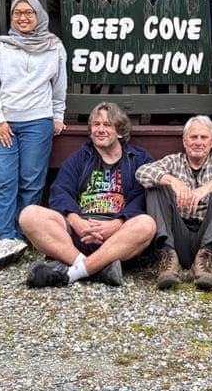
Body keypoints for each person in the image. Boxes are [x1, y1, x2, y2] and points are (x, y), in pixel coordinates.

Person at [19, 103, 156, 289]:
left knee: (146, 224)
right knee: (29, 215)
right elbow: (60, 191)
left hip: (116, 237)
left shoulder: (139, 159)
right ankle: (95, 268)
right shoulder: (79, 157)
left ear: (120, 132)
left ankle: (70, 273)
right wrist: (77, 222)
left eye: (107, 125)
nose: (100, 129)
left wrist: (116, 224)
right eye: (95, 124)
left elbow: (142, 197)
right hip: (79, 234)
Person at [0, 0, 67, 267]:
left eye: (29, 13)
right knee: (4, 180)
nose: (23, 18)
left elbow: (59, 86)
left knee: (31, 181)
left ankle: (24, 236)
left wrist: (58, 115)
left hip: (38, 121)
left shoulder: (54, 47)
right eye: (17, 13)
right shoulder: (1, 47)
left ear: (39, 15)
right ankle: (5, 237)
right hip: (2, 123)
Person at [136, 116, 212, 292]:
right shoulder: (174, 161)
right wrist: (173, 181)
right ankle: (167, 259)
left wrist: (206, 188)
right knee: (155, 185)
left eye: (204, 138)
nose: (198, 142)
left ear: (211, 143)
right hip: (178, 240)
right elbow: (142, 172)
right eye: (193, 137)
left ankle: (204, 260)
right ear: (184, 141)